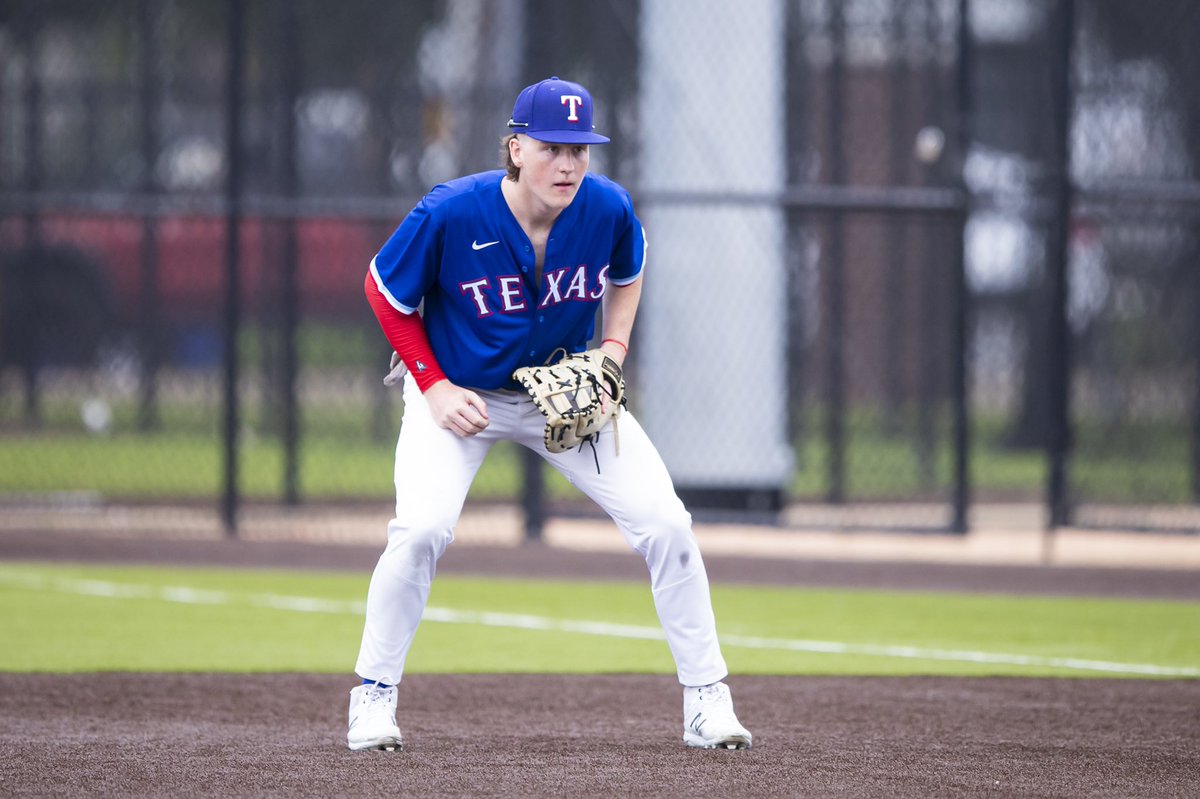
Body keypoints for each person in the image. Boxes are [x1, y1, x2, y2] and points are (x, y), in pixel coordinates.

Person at [348, 76, 752, 752]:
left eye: (579, 150)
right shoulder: (451, 211)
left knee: (667, 523)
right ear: (516, 148)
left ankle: (707, 699)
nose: (568, 164)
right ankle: (373, 696)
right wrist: (433, 385)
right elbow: (384, 291)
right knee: (420, 531)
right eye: (551, 148)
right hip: (459, 392)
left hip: (562, 391)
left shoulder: (607, 207)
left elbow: (629, 269)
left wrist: (613, 352)